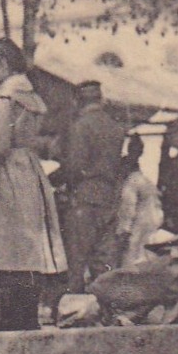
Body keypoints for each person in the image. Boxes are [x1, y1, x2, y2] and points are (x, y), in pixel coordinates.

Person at [0, 38, 67, 331]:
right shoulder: (31, 97)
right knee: (27, 245)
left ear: (2, 64)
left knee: (6, 244)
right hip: (28, 170)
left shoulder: (4, 99)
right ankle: (27, 313)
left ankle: (10, 316)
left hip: (6, 174)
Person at [57, 79, 127, 291]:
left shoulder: (81, 127)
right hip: (109, 196)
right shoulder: (115, 127)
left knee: (76, 259)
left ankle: (73, 308)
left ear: (78, 101)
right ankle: (107, 311)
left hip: (84, 196)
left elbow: (75, 167)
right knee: (104, 259)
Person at [115, 135, 162, 267]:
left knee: (131, 259)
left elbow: (128, 208)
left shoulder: (132, 182)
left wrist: (123, 230)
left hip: (139, 224)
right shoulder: (144, 180)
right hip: (151, 222)